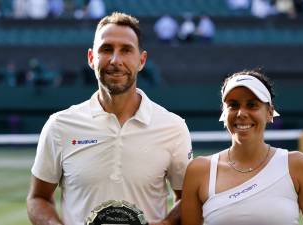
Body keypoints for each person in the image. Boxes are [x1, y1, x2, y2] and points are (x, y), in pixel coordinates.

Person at [27, 12, 192, 225]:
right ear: (91, 58)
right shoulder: (60, 126)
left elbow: (186, 198)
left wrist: (167, 223)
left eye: (126, 50)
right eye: (106, 49)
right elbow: (38, 198)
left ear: (141, 60)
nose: (116, 60)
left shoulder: (173, 128)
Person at [181, 70, 303, 225]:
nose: (241, 113)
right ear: (224, 113)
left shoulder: (297, 165)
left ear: (270, 113)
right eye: (233, 105)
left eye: (252, 105)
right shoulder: (199, 171)